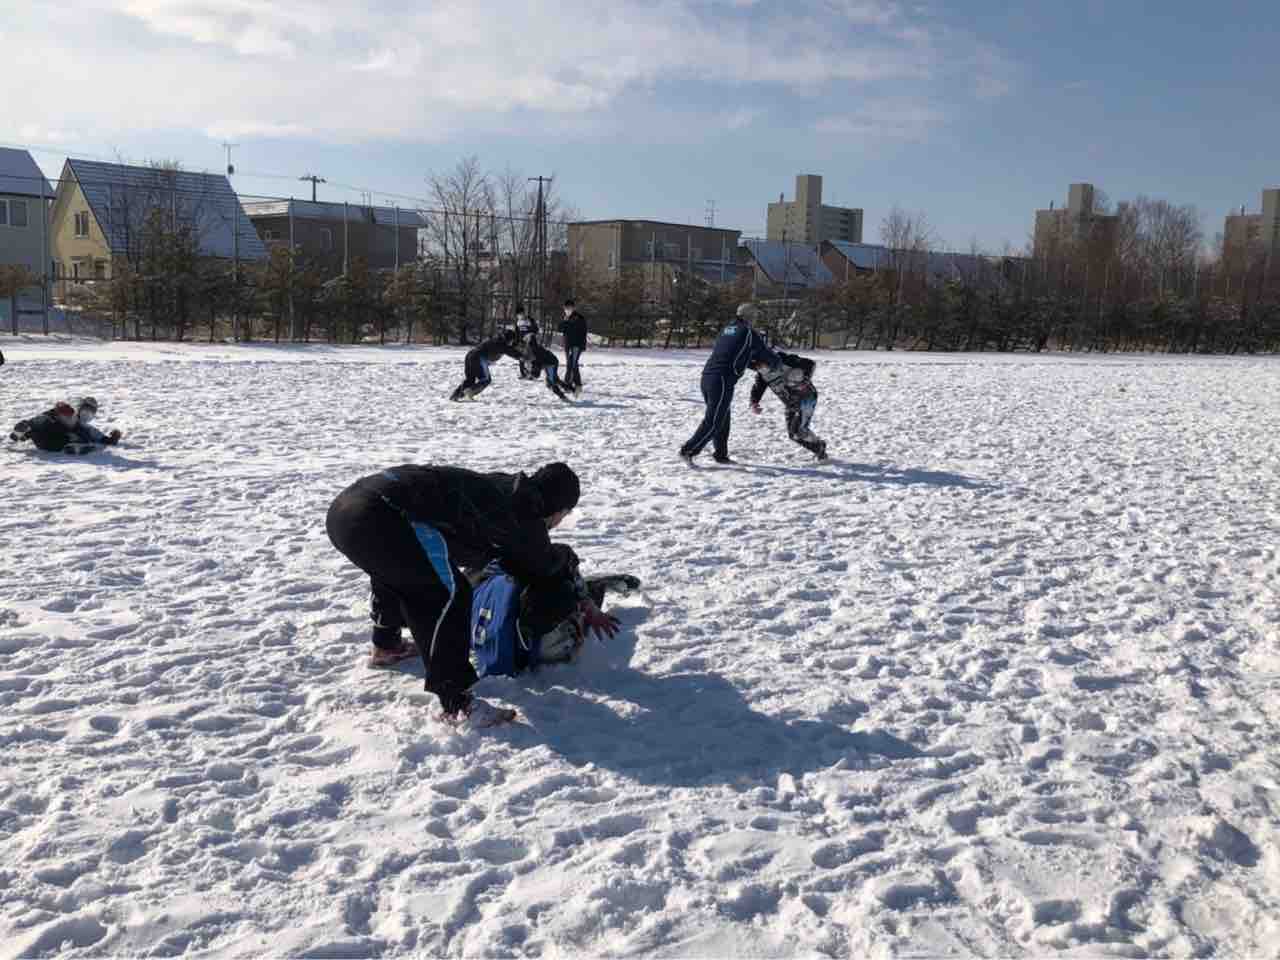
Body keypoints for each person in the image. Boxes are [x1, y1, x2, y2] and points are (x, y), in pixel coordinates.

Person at [325, 462, 611, 727]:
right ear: (560, 510)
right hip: (380, 514)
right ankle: (457, 704)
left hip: (347, 510)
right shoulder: (525, 515)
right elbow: (543, 564)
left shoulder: (506, 487)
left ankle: (387, 645)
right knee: (449, 594)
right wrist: (580, 592)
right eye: (565, 515)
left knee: (397, 566)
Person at [679, 302, 780, 464]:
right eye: (755, 316)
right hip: (722, 379)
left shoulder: (727, 329)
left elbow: (735, 355)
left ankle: (721, 455)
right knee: (714, 421)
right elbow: (764, 352)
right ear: (750, 317)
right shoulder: (748, 332)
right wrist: (776, 363)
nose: (755, 320)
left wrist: (754, 365)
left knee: (723, 417)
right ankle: (688, 450)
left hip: (708, 377)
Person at [749, 353, 828, 460]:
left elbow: (811, 364)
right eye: (756, 367)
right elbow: (758, 388)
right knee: (793, 434)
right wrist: (754, 402)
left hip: (806, 398)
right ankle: (819, 447)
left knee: (798, 431)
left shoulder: (783, 359)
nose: (759, 368)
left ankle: (820, 450)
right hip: (791, 403)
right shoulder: (762, 375)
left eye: (760, 364)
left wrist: (805, 379)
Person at [9, 398, 122, 454]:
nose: (86, 416)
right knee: (41, 424)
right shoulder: (68, 413)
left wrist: (112, 439)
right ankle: (23, 432)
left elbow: (100, 437)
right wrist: (28, 425)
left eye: (89, 414)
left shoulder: (86, 427)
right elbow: (46, 416)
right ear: (78, 409)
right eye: (85, 412)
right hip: (44, 434)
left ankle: (74, 447)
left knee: (80, 436)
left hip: (54, 443)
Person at [450, 329, 523, 402]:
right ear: (509, 339)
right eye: (512, 340)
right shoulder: (501, 344)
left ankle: (455, 395)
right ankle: (470, 391)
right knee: (486, 379)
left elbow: (509, 348)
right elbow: (509, 350)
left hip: (470, 355)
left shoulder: (497, 340)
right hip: (478, 357)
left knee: (470, 380)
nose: (512, 343)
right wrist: (521, 356)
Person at [558, 298, 588, 397]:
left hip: (576, 345)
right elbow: (560, 329)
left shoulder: (579, 318)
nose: (567, 310)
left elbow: (581, 331)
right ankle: (573, 384)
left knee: (572, 365)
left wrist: (582, 346)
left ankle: (572, 384)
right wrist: (565, 321)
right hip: (568, 345)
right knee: (571, 365)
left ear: (573, 308)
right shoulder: (565, 317)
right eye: (566, 308)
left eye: (569, 308)